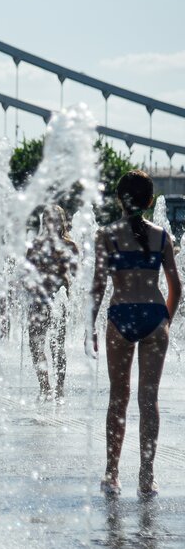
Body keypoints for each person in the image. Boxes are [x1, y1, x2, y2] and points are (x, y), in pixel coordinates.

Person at [89, 170, 181, 498]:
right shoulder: (161, 236)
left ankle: (112, 474)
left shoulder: (106, 234)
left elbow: (98, 286)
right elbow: (176, 286)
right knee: (148, 399)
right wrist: (164, 321)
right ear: (150, 201)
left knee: (119, 396)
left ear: (119, 200)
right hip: (154, 316)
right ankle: (147, 475)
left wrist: (90, 327)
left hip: (121, 316)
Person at [25, 205, 78, 402]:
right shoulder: (35, 245)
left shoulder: (70, 245)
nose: (51, 222)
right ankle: (45, 386)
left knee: (57, 345)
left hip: (58, 300)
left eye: (55, 218)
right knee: (35, 344)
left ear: (61, 221)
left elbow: (76, 275)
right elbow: (27, 272)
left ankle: (60, 387)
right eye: (47, 218)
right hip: (38, 299)